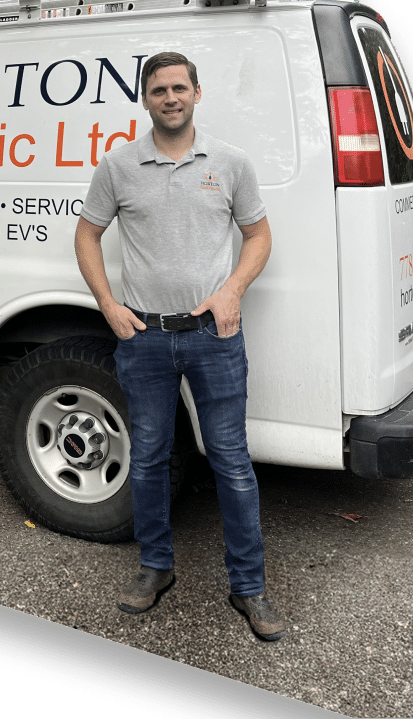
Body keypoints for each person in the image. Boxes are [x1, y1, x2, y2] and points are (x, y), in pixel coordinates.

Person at [73, 52, 286, 641]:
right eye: (159, 89)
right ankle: (155, 568)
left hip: (214, 337)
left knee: (232, 464)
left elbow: (259, 234)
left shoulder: (230, 163)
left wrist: (232, 290)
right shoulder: (118, 166)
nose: (170, 97)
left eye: (179, 88)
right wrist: (109, 306)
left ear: (197, 93)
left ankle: (249, 588)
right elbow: (87, 234)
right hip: (143, 337)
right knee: (146, 460)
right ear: (145, 99)